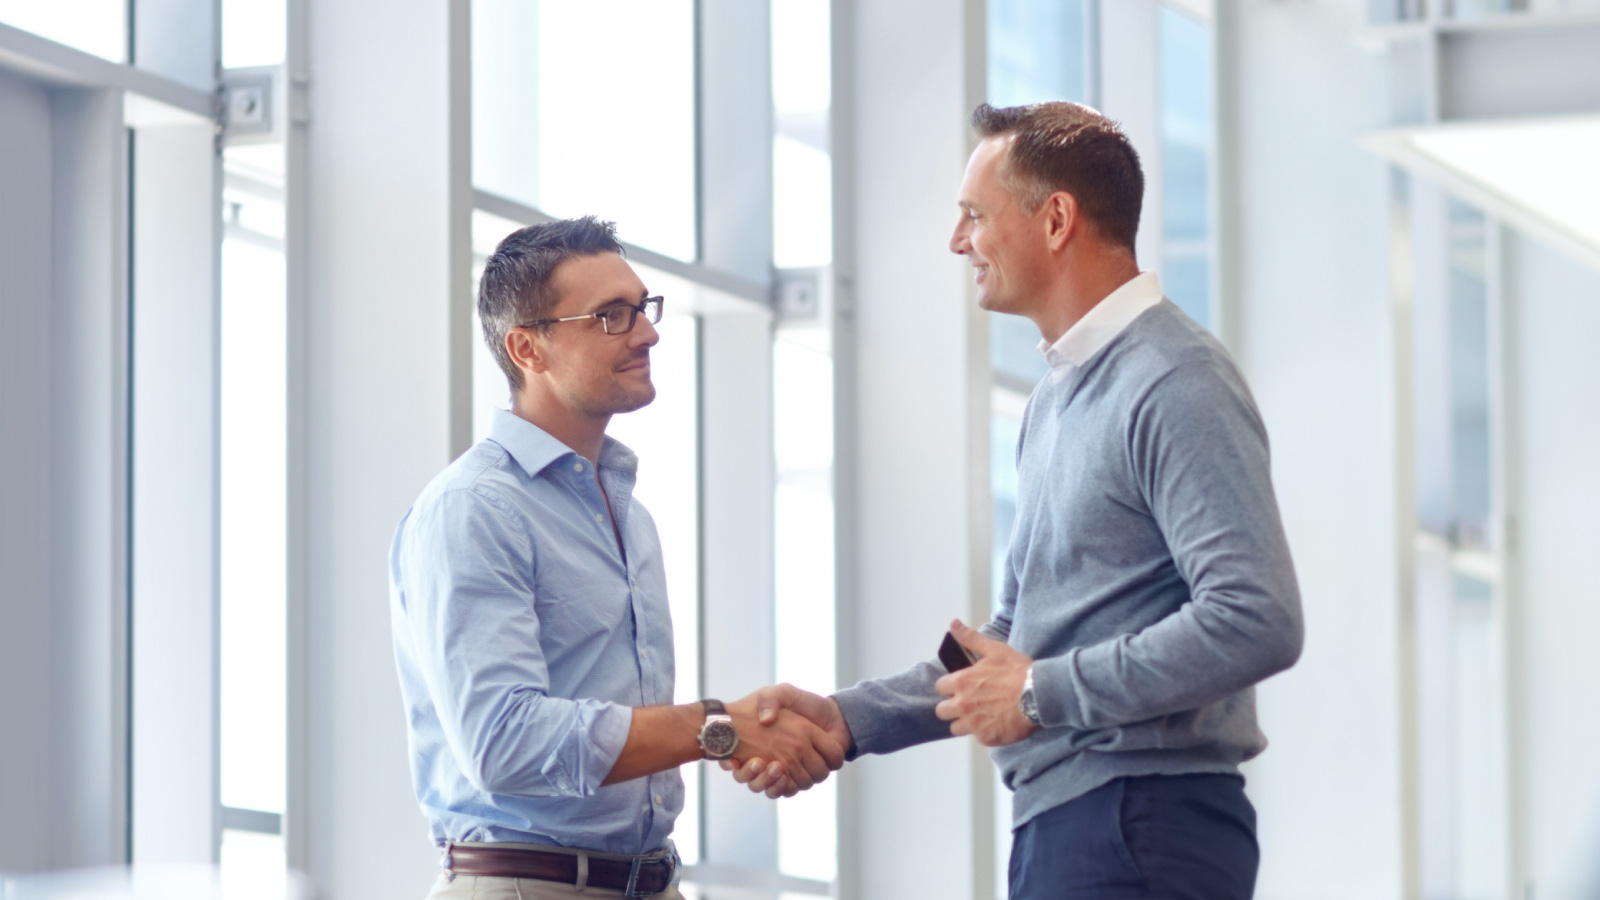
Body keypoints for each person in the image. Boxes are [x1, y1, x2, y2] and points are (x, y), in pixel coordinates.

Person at [728, 102, 1305, 900]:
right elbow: (1010, 640)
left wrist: (1040, 692)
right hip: (1070, 824)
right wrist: (850, 719)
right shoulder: (1057, 396)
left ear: (1057, 218)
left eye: (973, 216)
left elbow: (1256, 618)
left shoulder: (1176, 381)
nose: (959, 242)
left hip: (1141, 824)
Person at [389, 216, 845, 900]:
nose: (648, 333)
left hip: (649, 879)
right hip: (527, 886)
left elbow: (647, 741)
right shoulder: (474, 509)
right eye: (611, 316)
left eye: (642, 309)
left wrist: (739, 736)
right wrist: (718, 727)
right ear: (527, 348)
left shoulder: (631, 517)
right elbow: (503, 740)